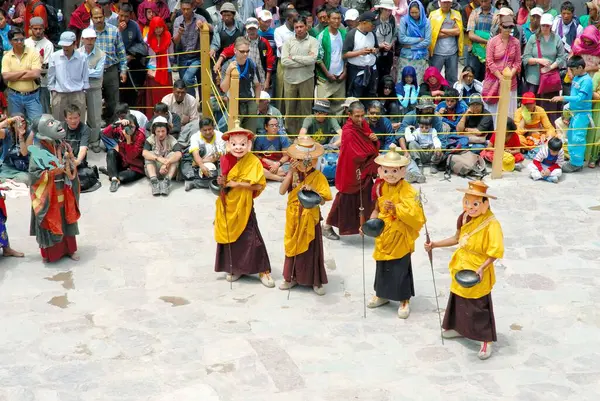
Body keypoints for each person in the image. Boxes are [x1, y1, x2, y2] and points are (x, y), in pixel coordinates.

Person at [424, 180, 504, 360]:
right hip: (462, 263)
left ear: (485, 204)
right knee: (458, 298)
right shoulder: (464, 217)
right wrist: (435, 245)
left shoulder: (492, 225)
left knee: (478, 305)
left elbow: (495, 251)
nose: (470, 207)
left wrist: (483, 268)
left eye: (475, 203)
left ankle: (485, 340)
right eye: (466, 202)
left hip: (477, 268)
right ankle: (458, 328)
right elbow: (457, 238)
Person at [366, 144, 425, 318]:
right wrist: (370, 223)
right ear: (380, 171)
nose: (390, 175)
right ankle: (381, 294)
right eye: (386, 171)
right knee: (382, 266)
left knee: (400, 268)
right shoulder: (379, 187)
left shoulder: (409, 190)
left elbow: (416, 214)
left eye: (394, 171)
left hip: (400, 234)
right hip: (384, 233)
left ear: (403, 171)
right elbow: (377, 208)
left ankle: (404, 300)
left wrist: (396, 209)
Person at [214, 123, 275, 288]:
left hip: (245, 205)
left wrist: (238, 184)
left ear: (248, 145)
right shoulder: (225, 159)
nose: (238, 148)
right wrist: (222, 182)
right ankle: (237, 268)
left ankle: (264, 271)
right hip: (228, 205)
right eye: (234, 144)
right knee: (231, 239)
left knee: (252, 237)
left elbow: (259, 185)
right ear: (229, 145)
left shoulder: (253, 161)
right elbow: (224, 183)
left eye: (242, 144)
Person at [279, 135, 332, 295]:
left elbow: (323, 201)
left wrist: (313, 191)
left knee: (311, 249)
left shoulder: (318, 176)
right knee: (292, 246)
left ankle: (315, 281)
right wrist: (291, 173)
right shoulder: (293, 173)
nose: (305, 164)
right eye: (301, 160)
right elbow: (282, 191)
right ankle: (291, 278)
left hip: (310, 217)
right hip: (294, 216)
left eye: (309, 161)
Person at [323, 102, 380, 240]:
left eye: (362, 116)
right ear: (349, 115)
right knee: (344, 199)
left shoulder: (363, 125)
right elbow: (357, 154)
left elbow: (369, 143)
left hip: (364, 170)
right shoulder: (348, 131)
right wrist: (371, 148)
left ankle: (367, 226)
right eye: (357, 116)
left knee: (369, 198)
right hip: (350, 171)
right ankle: (327, 226)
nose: (360, 119)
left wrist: (374, 139)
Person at [29, 114, 81, 263]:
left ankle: (70, 249)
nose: (58, 123)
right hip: (49, 194)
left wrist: (69, 164)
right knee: (51, 219)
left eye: (55, 120)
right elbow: (33, 175)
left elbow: (72, 165)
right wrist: (51, 173)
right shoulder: (38, 151)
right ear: (41, 132)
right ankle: (51, 254)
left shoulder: (63, 145)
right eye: (51, 123)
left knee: (67, 217)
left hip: (64, 189)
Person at [551, 56, 593, 173]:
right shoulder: (576, 78)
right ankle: (573, 160)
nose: (571, 72)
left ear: (580, 68)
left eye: (573, 70)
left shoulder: (586, 81)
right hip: (574, 113)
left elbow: (580, 98)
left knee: (577, 138)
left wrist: (562, 98)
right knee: (570, 137)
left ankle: (577, 164)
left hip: (582, 114)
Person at [214, 17, 275, 92]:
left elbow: (269, 62)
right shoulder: (241, 41)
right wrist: (218, 62)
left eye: (254, 29)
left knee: (260, 98)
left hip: (260, 76)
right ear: (246, 29)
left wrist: (267, 81)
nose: (252, 31)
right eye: (250, 29)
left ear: (258, 28)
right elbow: (227, 51)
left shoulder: (264, 42)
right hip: (244, 75)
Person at [522, 13, 566, 114]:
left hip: (549, 80)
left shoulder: (556, 38)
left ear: (551, 26)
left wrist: (550, 67)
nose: (545, 27)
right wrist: (539, 60)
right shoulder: (533, 38)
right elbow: (525, 58)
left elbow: (561, 57)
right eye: (543, 25)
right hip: (534, 79)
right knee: (532, 107)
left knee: (549, 107)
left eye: (547, 25)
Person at [281, 16, 318, 136]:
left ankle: (304, 135)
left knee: (306, 109)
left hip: (307, 79)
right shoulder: (288, 42)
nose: (299, 29)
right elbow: (284, 62)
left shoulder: (313, 41)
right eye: (296, 27)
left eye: (301, 26)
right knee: (290, 109)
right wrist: (304, 61)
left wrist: (295, 58)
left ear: (306, 27)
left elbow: (312, 60)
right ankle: (290, 136)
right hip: (290, 80)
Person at [484, 14, 521, 127]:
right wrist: (500, 77)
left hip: (510, 81)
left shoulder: (516, 42)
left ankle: (507, 136)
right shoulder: (493, 41)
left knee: (509, 110)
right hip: (494, 80)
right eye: (506, 27)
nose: (508, 29)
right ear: (500, 26)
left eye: (510, 27)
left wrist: (509, 76)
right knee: (493, 111)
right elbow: (489, 61)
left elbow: (517, 62)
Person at [92, 7, 128, 125]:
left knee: (113, 101)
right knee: (94, 101)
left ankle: (113, 127)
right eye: (95, 17)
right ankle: (97, 127)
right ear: (92, 18)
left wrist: (123, 71)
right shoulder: (88, 33)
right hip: (93, 72)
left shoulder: (114, 31)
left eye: (100, 17)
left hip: (111, 70)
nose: (98, 20)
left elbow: (121, 52)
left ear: (104, 17)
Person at [221, 37, 262, 134]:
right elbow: (224, 88)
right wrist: (228, 73)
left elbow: (257, 85)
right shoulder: (227, 65)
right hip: (234, 102)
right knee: (234, 133)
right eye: (242, 51)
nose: (245, 54)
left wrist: (256, 102)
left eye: (247, 51)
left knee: (250, 133)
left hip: (249, 101)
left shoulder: (251, 64)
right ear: (235, 50)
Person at [1, 28, 42, 122]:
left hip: (32, 96)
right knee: (16, 126)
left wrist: (14, 76)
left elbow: (36, 74)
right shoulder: (7, 57)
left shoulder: (33, 53)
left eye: (22, 39)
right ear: (10, 41)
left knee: (36, 124)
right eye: (16, 40)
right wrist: (25, 71)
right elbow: (6, 76)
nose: (19, 42)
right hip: (14, 96)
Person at [48, 32, 89, 121]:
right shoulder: (54, 56)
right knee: (59, 123)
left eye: (68, 45)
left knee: (78, 122)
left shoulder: (82, 57)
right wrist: (52, 90)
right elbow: (51, 74)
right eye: (63, 45)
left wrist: (84, 91)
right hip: (59, 93)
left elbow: (85, 75)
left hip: (77, 93)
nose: (65, 47)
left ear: (74, 43)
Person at [100, 113, 146, 192]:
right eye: (127, 127)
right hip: (124, 162)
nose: (129, 130)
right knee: (111, 152)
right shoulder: (121, 130)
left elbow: (132, 156)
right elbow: (104, 133)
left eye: (132, 127)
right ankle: (114, 179)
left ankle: (111, 172)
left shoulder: (140, 135)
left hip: (135, 166)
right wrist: (116, 124)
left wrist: (128, 140)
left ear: (136, 126)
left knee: (122, 178)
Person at [62, 105, 101, 193]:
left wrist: (77, 161)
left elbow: (83, 148)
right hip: (63, 162)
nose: (73, 121)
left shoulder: (85, 129)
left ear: (79, 117)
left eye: (76, 118)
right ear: (65, 118)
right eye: (70, 118)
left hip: (78, 163)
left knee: (84, 176)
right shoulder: (60, 127)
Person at [79, 28, 106, 153]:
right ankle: (80, 141)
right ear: (82, 39)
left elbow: (98, 73)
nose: (89, 41)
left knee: (95, 117)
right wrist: (89, 71)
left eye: (92, 39)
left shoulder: (101, 54)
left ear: (95, 39)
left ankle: (94, 141)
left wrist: (83, 71)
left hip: (94, 88)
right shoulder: (77, 53)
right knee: (78, 115)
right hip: (79, 88)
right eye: (87, 39)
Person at [316, 9, 347, 115]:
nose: (337, 21)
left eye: (339, 18)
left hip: (340, 77)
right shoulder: (321, 36)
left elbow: (347, 55)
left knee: (339, 108)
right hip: (325, 79)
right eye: (334, 18)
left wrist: (345, 72)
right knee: (321, 107)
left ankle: (337, 130)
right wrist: (328, 74)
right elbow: (318, 58)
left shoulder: (344, 34)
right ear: (328, 20)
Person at [343, 11, 379, 102]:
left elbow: (377, 48)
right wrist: (360, 52)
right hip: (356, 71)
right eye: (372, 25)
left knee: (370, 97)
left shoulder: (372, 34)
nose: (373, 27)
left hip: (371, 70)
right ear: (364, 23)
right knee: (355, 98)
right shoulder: (352, 34)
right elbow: (344, 54)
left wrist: (374, 50)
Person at [142, 116, 183, 196]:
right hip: (153, 171)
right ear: (154, 131)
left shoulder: (171, 139)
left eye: (163, 131)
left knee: (173, 155)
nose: (160, 134)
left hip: (168, 170)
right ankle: (154, 182)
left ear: (167, 130)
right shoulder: (150, 139)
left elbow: (179, 154)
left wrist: (166, 163)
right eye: (158, 131)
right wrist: (158, 158)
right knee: (150, 154)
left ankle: (166, 182)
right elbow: (144, 153)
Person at [173, 0, 207, 96]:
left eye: (188, 9)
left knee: (187, 79)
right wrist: (179, 33)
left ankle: (194, 100)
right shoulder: (178, 20)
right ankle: (191, 103)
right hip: (182, 57)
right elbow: (175, 41)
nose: (186, 11)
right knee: (184, 84)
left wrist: (204, 25)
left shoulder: (200, 18)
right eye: (183, 9)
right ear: (180, 8)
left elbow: (211, 28)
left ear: (192, 8)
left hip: (197, 57)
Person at [181, 118, 225, 191]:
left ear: (213, 128)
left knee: (215, 176)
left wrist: (199, 162)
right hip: (196, 161)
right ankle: (201, 180)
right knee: (188, 174)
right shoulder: (195, 137)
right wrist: (201, 165)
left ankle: (194, 183)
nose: (208, 132)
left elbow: (218, 155)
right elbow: (196, 154)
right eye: (205, 130)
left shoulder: (220, 136)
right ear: (200, 130)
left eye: (210, 129)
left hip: (210, 162)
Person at [428, 0, 463, 86]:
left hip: (452, 52)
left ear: (451, 3)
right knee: (433, 78)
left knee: (452, 79)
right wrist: (451, 31)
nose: (446, 4)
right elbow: (432, 34)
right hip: (437, 53)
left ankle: (451, 97)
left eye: (448, 2)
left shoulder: (456, 14)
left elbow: (458, 31)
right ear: (440, 2)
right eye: (444, 2)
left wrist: (441, 29)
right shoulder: (433, 14)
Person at [144, 16, 173, 119]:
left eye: (160, 27)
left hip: (166, 70)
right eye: (156, 27)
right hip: (152, 70)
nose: (158, 29)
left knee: (167, 97)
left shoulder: (168, 36)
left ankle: (168, 118)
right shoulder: (147, 38)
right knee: (154, 99)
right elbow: (145, 55)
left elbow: (171, 54)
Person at [24, 17, 53, 115]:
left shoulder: (48, 44)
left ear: (44, 28)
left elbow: (46, 65)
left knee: (44, 111)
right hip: (27, 84)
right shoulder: (25, 43)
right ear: (30, 28)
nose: (38, 31)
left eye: (40, 29)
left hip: (43, 83)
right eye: (35, 29)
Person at [398, 0, 431, 84]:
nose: (414, 15)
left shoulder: (426, 22)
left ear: (421, 10)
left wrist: (411, 46)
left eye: (416, 12)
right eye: (412, 12)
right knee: (404, 82)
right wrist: (419, 39)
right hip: (406, 57)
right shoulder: (404, 20)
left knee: (419, 82)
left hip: (420, 57)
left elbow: (427, 41)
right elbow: (402, 38)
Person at [466, 0, 497, 82]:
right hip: (475, 52)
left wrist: (479, 36)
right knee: (473, 77)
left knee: (488, 78)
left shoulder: (497, 14)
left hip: (491, 52)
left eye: (485, 1)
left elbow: (497, 36)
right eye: (481, 1)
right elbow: (471, 35)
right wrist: (487, 41)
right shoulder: (474, 13)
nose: (483, 3)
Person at [253, 116, 291, 182]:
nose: (275, 128)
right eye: (272, 125)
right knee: (255, 166)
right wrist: (266, 160)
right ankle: (280, 178)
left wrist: (277, 164)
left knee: (291, 166)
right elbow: (255, 155)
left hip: (279, 163)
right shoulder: (260, 138)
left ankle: (268, 175)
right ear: (266, 127)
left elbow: (286, 156)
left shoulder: (282, 137)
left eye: (276, 125)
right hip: (266, 163)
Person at [0, 115, 32, 184]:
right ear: (13, 125)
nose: (22, 125)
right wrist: (8, 120)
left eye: (24, 122)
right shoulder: (6, 133)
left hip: (21, 168)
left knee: (25, 180)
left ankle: (8, 182)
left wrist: (21, 137)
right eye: (19, 122)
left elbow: (24, 153)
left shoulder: (29, 134)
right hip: (6, 166)